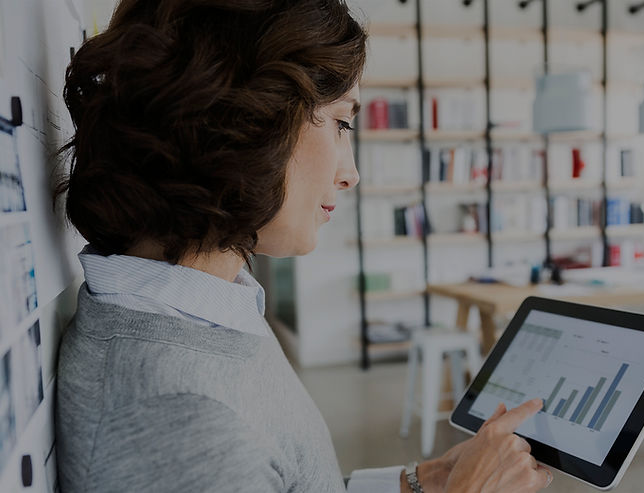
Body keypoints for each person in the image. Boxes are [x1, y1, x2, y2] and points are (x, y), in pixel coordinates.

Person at [54, 1, 553, 492]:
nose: (350, 173)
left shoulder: (208, 308)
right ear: (242, 121)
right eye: (341, 123)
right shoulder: (178, 420)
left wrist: (424, 483)